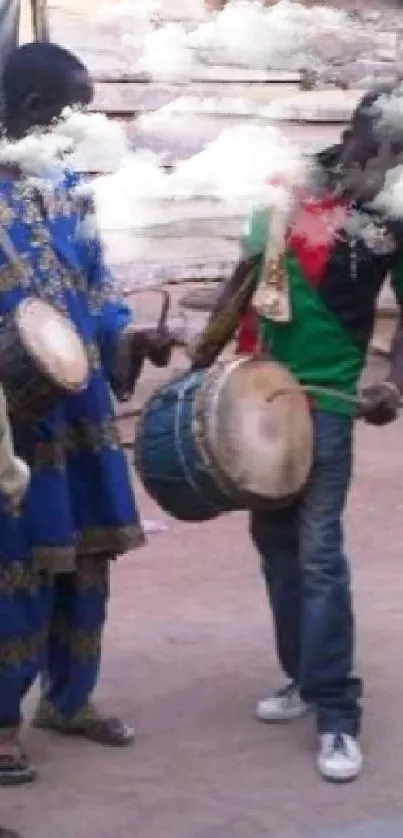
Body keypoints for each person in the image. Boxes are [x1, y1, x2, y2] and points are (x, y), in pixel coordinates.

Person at [192, 85, 403, 783]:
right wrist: (197, 361)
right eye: (393, 147)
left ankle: (338, 713)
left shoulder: (391, 211)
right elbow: (242, 279)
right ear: (358, 135)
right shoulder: (284, 186)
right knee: (275, 548)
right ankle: (304, 677)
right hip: (257, 394)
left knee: (316, 555)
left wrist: (392, 385)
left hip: (329, 402)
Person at [0, 42, 174, 785]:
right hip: (13, 420)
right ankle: (2, 722)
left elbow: (97, 283)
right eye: (78, 104)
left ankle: (69, 701)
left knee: (87, 560)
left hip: (82, 406)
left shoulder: (69, 185)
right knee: (18, 566)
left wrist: (127, 337)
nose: (88, 119)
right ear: (38, 109)